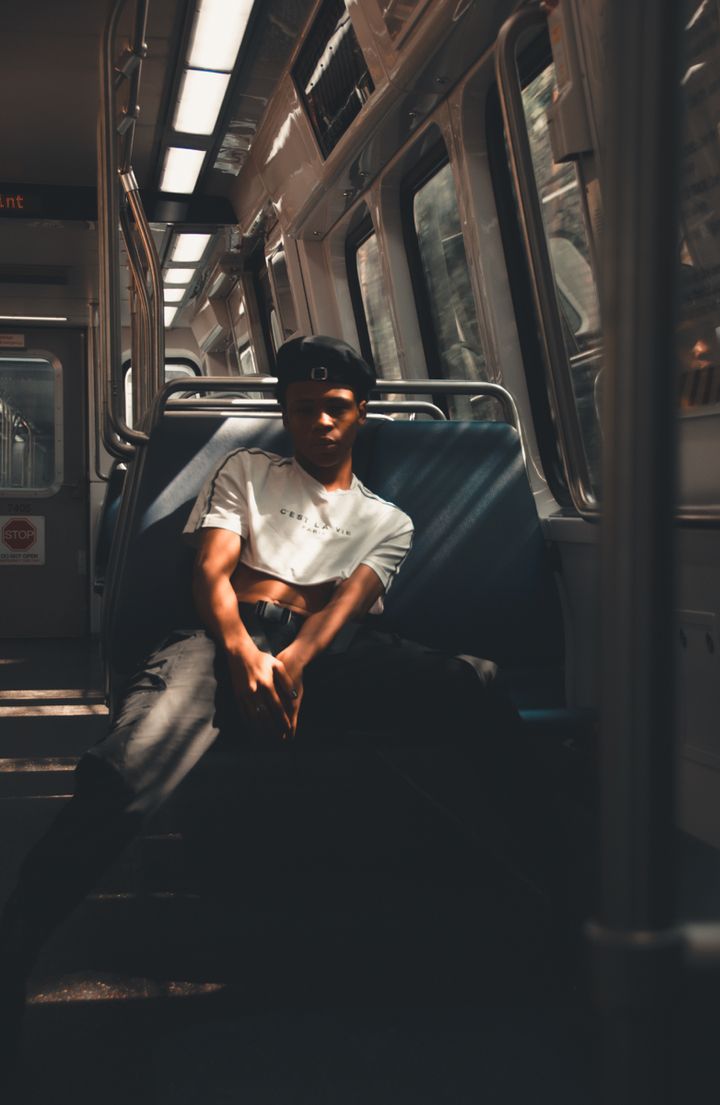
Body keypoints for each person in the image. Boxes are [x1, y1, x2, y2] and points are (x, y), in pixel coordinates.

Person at [0, 334, 516, 1068]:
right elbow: (212, 572)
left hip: (332, 653)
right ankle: (20, 933)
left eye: (336, 407)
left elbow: (345, 609)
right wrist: (244, 653)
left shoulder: (385, 519)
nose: (322, 423)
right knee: (127, 767)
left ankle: (538, 905)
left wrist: (295, 663)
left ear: (361, 413)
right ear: (286, 415)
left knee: (482, 684)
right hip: (221, 638)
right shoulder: (245, 469)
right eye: (304, 409)